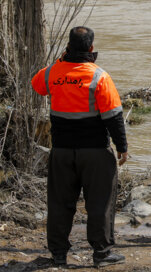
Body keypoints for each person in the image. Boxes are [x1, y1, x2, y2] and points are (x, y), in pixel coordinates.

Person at [31, 26, 127, 268]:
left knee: (59, 204)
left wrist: (61, 61)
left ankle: (59, 255)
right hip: (95, 152)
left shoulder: (52, 72)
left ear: (68, 46)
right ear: (91, 48)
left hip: (62, 151)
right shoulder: (99, 76)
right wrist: (122, 147)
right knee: (100, 203)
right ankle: (102, 254)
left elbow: (37, 85)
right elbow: (114, 117)